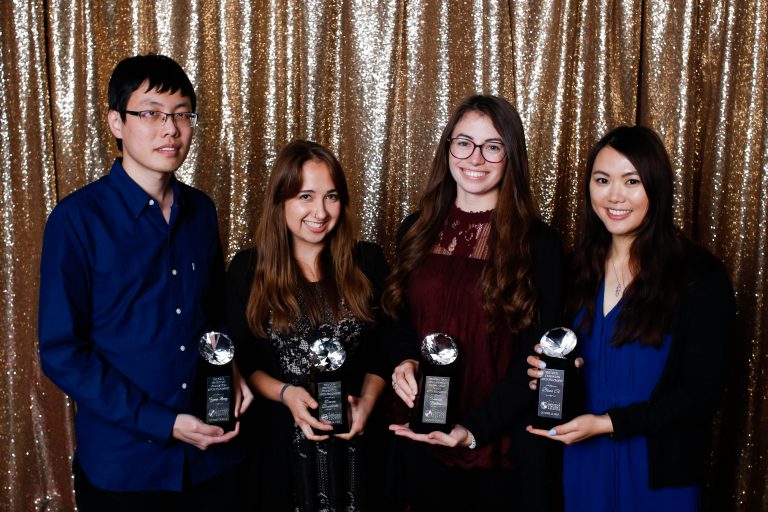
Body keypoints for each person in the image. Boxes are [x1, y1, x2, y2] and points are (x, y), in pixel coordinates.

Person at [38, 54, 252, 511]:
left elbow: (214, 313)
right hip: (125, 467)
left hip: (213, 455)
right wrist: (163, 422)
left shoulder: (202, 211)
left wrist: (231, 368)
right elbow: (62, 352)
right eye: (151, 113)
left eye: (181, 114)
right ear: (117, 122)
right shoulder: (76, 220)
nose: (169, 129)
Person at [526, 125, 736, 511]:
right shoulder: (573, 271)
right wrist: (547, 372)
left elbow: (701, 395)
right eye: (602, 180)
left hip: (658, 469)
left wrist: (608, 424)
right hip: (581, 460)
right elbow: (561, 362)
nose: (615, 196)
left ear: (656, 187)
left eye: (632, 181)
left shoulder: (699, 276)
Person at [383, 95, 564, 510]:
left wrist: (473, 429)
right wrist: (404, 362)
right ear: (448, 147)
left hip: (496, 448)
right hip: (419, 436)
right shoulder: (417, 228)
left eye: (492, 146)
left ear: (510, 156)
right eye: (464, 142)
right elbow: (397, 320)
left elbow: (537, 363)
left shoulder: (540, 244)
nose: (475, 158)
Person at [226, 140, 390, 511]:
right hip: (278, 450)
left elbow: (388, 349)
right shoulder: (248, 270)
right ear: (281, 200)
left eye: (331, 197)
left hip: (359, 449)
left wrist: (366, 401)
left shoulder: (367, 262)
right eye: (305, 196)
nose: (320, 211)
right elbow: (242, 360)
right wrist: (286, 394)